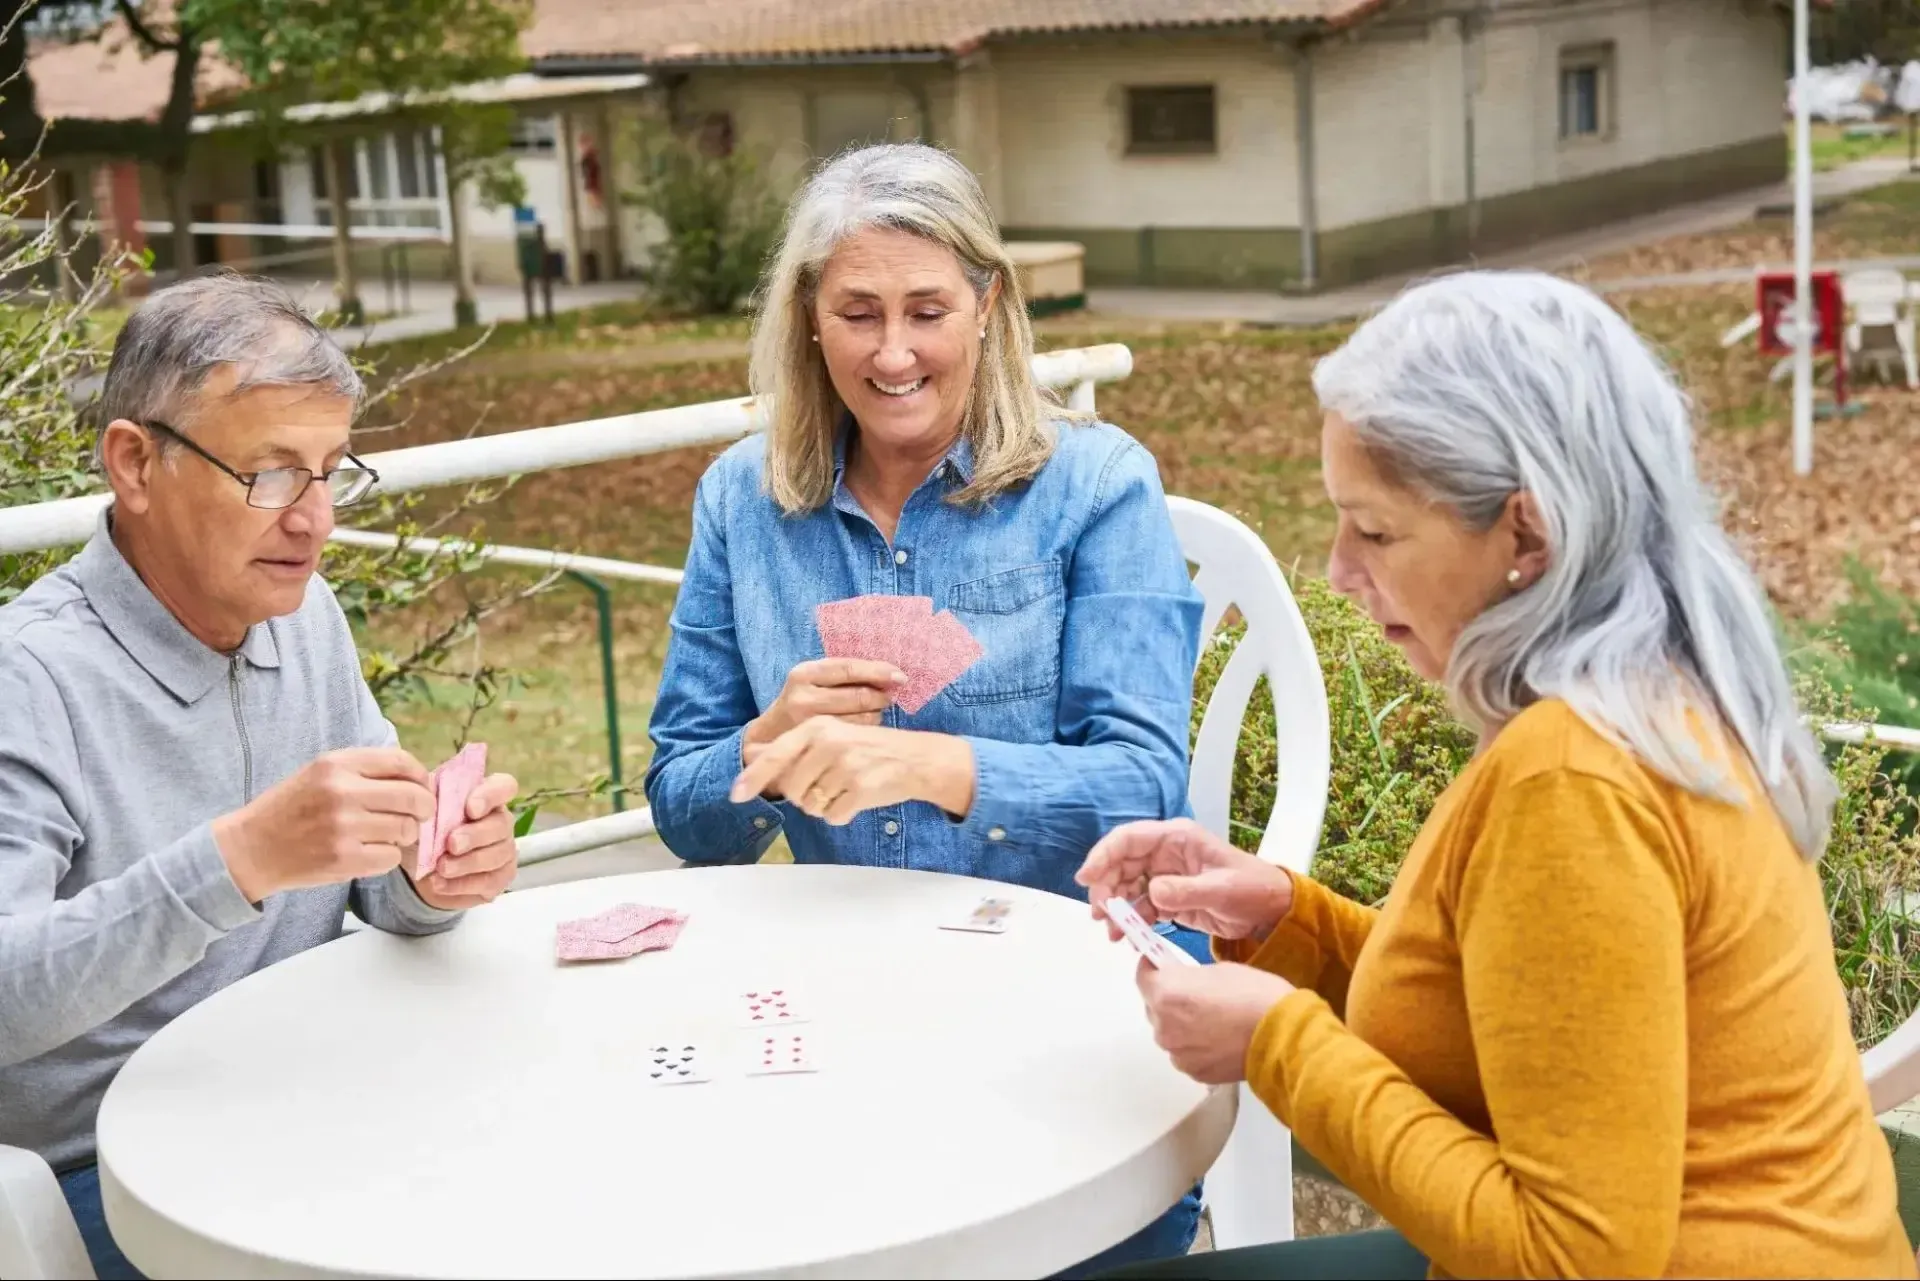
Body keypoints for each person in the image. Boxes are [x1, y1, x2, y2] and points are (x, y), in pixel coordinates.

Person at [1076, 270, 1917, 1279]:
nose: (1338, 569)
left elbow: (1572, 1259)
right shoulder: (1646, 695)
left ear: (1527, 532)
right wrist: (1286, 921)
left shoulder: (1573, 781)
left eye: (1375, 530)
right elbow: (1527, 1017)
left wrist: (1278, 1046)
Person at [643, 142, 1207, 1274]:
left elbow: (1144, 783)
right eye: (858, 313)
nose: (893, 353)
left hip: (1077, 988)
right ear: (809, 319)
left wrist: (935, 768)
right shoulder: (742, 501)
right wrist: (760, 746)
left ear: (988, 307)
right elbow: (682, 810)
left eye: (927, 311)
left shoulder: (1097, 483)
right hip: (851, 998)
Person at [0, 274, 524, 1281]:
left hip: (311, 1106)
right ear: (135, 463)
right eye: (272, 473)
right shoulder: (29, 677)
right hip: (102, 1178)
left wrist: (431, 871)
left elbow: (381, 887)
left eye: (330, 472)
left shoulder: (303, 615)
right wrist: (238, 860)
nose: (315, 520)